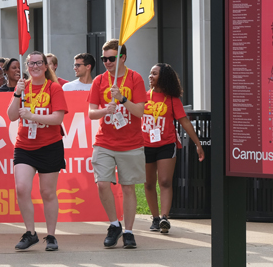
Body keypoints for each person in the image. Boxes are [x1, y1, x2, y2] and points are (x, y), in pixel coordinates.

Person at [88, 39, 147, 249]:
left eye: (111, 58)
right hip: (104, 141)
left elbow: (140, 111)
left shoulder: (135, 78)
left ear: (122, 57)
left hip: (131, 143)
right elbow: (91, 113)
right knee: (103, 183)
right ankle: (114, 224)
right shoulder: (99, 80)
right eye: (104, 59)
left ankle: (129, 231)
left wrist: (122, 99)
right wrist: (105, 111)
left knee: (128, 188)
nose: (107, 62)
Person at [6, 51, 68, 251]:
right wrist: (17, 93)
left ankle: (51, 236)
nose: (35, 66)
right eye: (31, 63)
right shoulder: (23, 87)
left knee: (47, 192)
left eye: (39, 63)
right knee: (22, 188)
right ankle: (30, 233)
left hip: (50, 146)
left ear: (45, 66)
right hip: (25, 146)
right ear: (27, 66)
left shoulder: (54, 88)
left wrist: (33, 116)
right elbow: (12, 116)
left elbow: (58, 119)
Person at [143, 63, 205, 234]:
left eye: (154, 74)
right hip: (145, 145)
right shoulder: (143, 96)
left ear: (163, 77)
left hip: (166, 144)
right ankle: (155, 219)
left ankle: (164, 217)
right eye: (150, 73)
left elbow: (184, 122)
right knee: (148, 183)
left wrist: (198, 144)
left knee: (165, 181)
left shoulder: (172, 99)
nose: (150, 76)